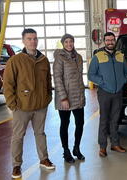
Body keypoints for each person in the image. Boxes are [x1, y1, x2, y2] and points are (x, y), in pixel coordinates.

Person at [3, 28, 55, 179]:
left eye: (35, 39)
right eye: (29, 39)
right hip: (22, 107)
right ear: (23, 41)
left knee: (40, 133)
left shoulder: (43, 59)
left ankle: (44, 159)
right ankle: (16, 165)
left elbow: (48, 81)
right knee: (18, 136)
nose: (33, 41)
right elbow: (8, 84)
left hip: (40, 106)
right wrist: (13, 104)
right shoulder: (15, 60)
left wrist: (47, 97)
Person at [88, 32, 127, 157]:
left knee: (115, 119)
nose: (110, 42)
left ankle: (115, 144)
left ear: (115, 41)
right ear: (104, 41)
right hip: (104, 92)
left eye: (112, 40)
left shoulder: (120, 56)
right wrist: (103, 83)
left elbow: (126, 73)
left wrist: (121, 83)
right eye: (107, 40)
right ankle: (102, 147)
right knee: (104, 120)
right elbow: (91, 75)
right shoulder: (98, 56)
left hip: (118, 93)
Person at [53, 34, 85, 163]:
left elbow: (79, 78)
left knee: (80, 123)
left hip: (78, 96)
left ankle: (76, 148)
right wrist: (63, 98)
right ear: (63, 43)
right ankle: (66, 151)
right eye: (66, 42)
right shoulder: (59, 58)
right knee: (65, 124)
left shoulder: (78, 57)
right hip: (65, 98)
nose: (69, 44)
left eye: (71, 41)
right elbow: (57, 78)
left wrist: (82, 94)